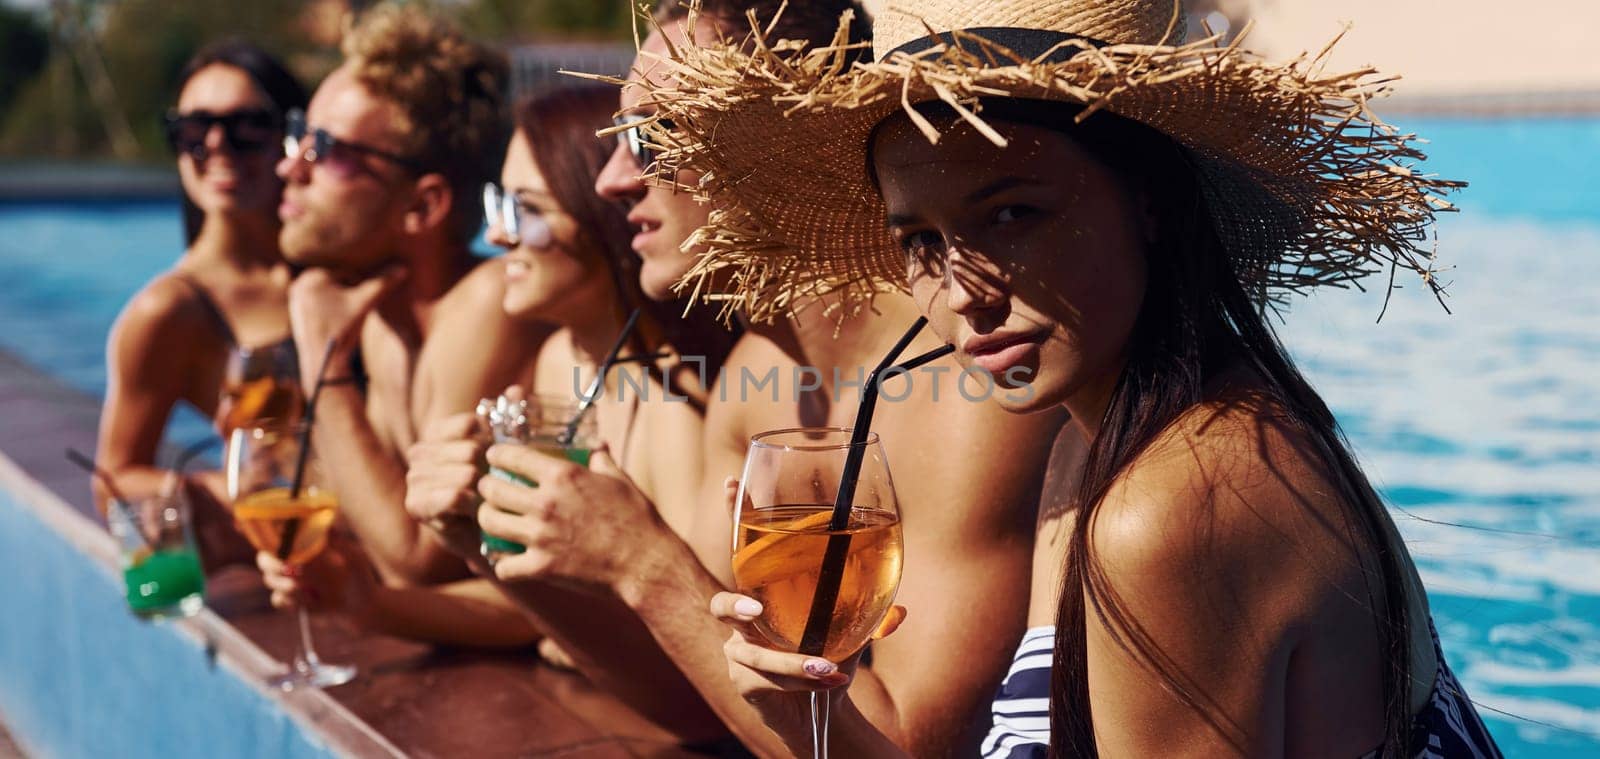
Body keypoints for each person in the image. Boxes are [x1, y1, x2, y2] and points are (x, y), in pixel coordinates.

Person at [642, 0, 1503, 756]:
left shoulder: (1174, 506)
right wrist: (808, 719)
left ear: (1149, 200)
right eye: (922, 242)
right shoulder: (1093, 451)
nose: (963, 293)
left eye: (1014, 214)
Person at [454, 0, 1070, 752]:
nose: (616, 178)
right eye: (619, 140)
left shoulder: (967, 380)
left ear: (788, 143)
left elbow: (912, 740)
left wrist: (647, 561)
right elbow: (698, 697)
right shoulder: (760, 375)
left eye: (653, 136)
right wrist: (488, 549)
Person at [260, 83, 735, 654]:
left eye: (526, 211)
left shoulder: (680, 391)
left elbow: (696, 638)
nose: (497, 235)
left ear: (607, 218)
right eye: (497, 205)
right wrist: (368, 604)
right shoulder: (562, 360)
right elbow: (541, 606)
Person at [274, 4, 546, 587]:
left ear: (423, 206)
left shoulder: (489, 302)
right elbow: (370, 508)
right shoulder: (382, 322)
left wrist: (323, 358)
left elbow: (418, 559)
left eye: (326, 148)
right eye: (299, 132)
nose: (288, 165)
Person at [95, 39, 306, 564]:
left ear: (293, 134)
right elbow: (112, 483)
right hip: (308, 557)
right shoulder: (171, 311)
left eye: (247, 126)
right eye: (192, 130)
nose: (217, 146)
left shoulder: (339, 268)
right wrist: (229, 489)